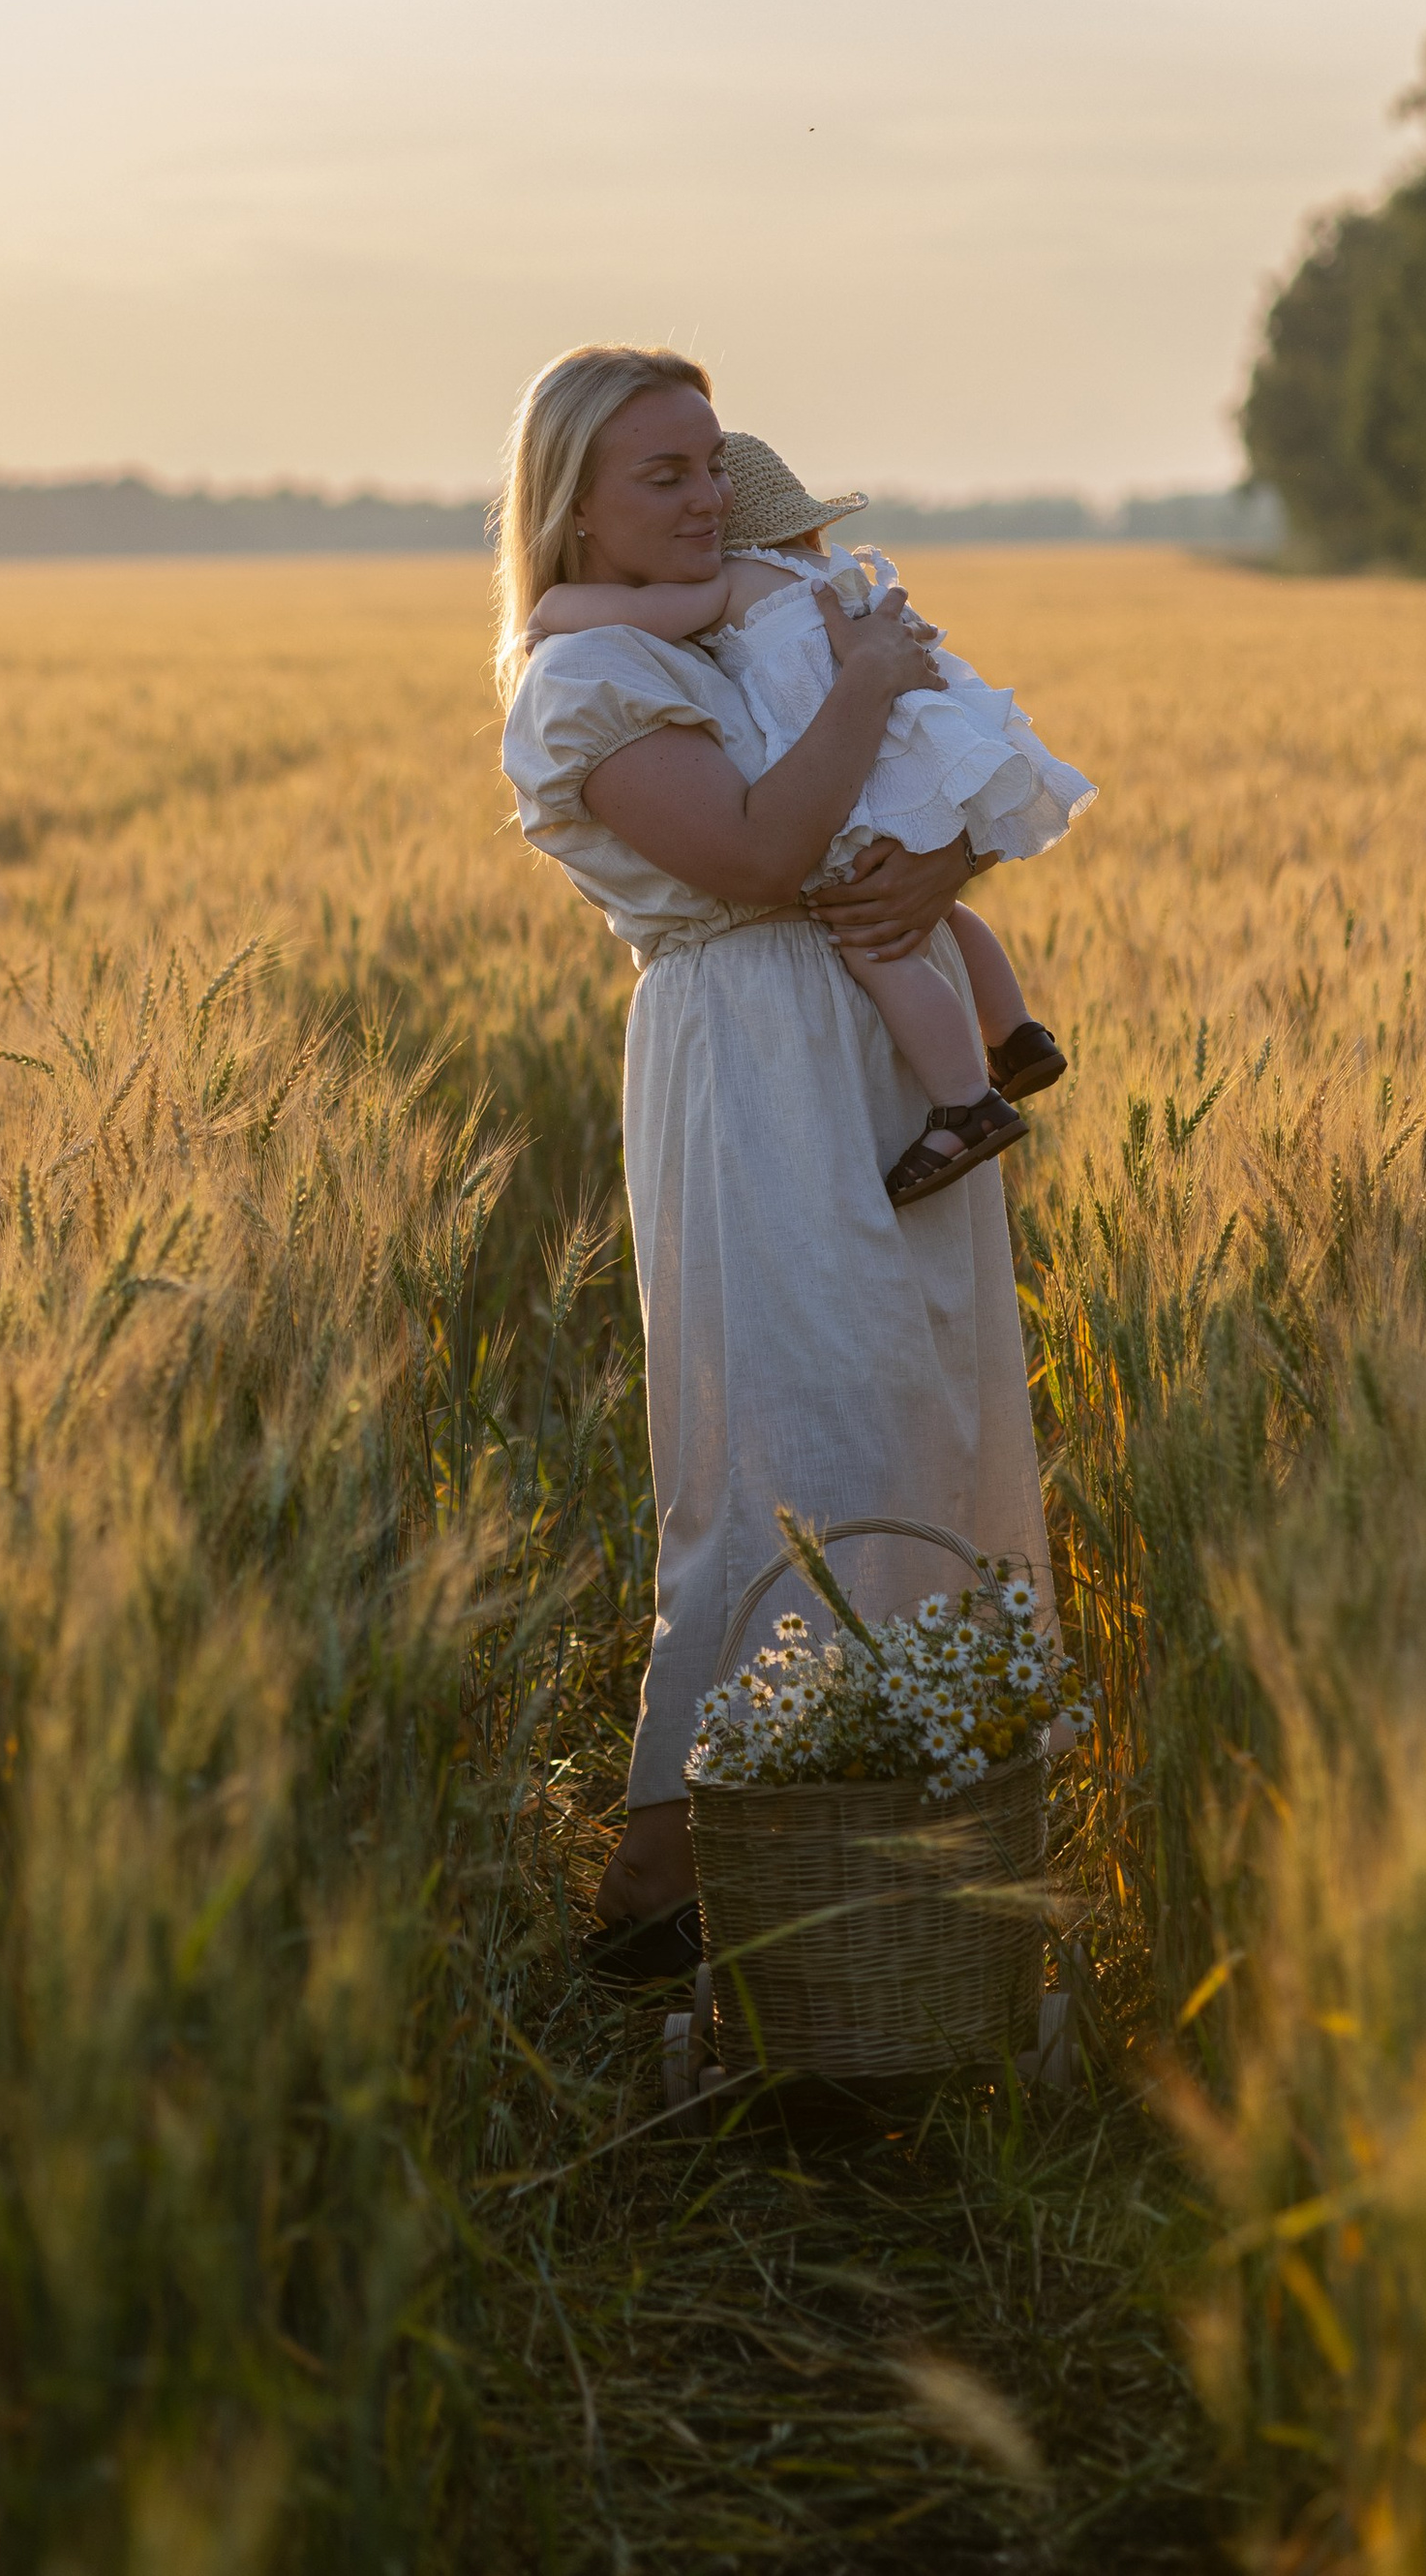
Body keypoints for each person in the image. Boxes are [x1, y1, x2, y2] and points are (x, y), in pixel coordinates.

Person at [494, 345, 1056, 1981]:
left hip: (880, 1042)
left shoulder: (755, 618)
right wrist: (870, 691)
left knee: (919, 1407)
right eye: (659, 473)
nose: (704, 495)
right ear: (574, 504)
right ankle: (672, 1877)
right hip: (752, 1065)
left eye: (708, 460)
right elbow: (757, 849)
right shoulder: (581, 684)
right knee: (789, 1440)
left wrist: (936, 853)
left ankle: (904, 1890)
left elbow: (926, 792)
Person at [524, 429, 1089, 1208]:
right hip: (892, 785)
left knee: (880, 947)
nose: (705, 501)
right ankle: (1015, 1034)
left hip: (832, 1015)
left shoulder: (726, 585)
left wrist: (549, 606)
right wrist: (949, 848)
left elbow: (628, 609)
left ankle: (967, 1098)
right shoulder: (838, 584)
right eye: (668, 475)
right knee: (938, 919)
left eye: (715, 475)